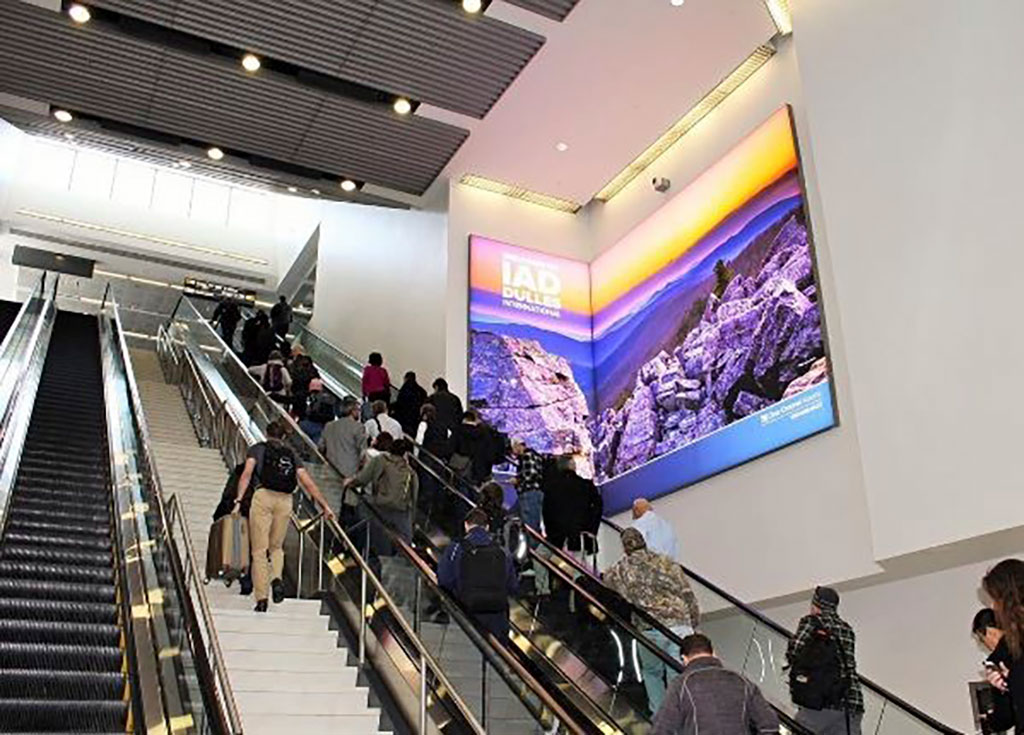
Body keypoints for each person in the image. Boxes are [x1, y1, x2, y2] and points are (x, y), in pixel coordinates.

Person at [235, 421, 334, 612]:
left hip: (263, 497)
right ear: (284, 436)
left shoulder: (257, 449)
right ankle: (277, 579)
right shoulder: (291, 454)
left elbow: (247, 474)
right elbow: (308, 483)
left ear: (267, 433)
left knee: (259, 551)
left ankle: (262, 599)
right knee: (276, 548)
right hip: (285, 501)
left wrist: (239, 499)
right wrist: (325, 505)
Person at [604, 528, 701, 714]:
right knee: (678, 674)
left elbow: (607, 582)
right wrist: (693, 623)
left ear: (625, 548)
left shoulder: (622, 569)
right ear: (644, 542)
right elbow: (688, 594)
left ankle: (659, 717)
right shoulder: (665, 562)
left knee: (651, 672)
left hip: (648, 629)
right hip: (679, 625)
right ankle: (683, 718)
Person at [651, 633, 779, 735]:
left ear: (684, 659)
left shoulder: (680, 685)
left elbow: (662, 728)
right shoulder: (742, 681)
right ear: (713, 653)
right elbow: (769, 724)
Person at [786, 586, 864, 735]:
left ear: (816, 604)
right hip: (852, 702)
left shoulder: (811, 622)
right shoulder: (847, 629)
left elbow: (795, 650)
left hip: (822, 700)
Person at [437, 507, 518, 640]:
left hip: (466, 611)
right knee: (497, 653)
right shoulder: (502, 550)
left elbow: (444, 580)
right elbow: (512, 586)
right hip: (497, 615)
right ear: (487, 527)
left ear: (466, 525)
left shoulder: (456, 548)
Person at [344, 438, 418, 554]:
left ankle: (353, 549)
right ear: (406, 454)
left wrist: (350, 482)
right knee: (404, 545)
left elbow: (363, 479)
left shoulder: (380, 460)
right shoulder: (411, 472)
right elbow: (413, 499)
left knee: (363, 513)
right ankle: (403, 558)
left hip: (379, 506)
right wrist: (412, 523)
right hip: (400, 513)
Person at [983, 560, 1024, 733]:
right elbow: (1005, 719)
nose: (994, 607)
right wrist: (1002, 688)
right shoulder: (1009, 646)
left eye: (996, 598)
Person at [542, 455, 603, 556]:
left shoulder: (551, 488)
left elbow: (546, 512)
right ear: (573, 466)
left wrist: (552, 533)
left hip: (557, 540)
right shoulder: (586, 485)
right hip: (580, 538)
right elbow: (598, 506)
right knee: (579, 568)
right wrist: (592, 530)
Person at [319, 396, 367, 520]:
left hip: (329, 471)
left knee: (330, 507)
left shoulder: (329, 426)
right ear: (353, 411)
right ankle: (342, 536)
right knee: (348, 509)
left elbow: (320, 447)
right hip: (349, 476)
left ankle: (327, 532)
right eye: (358, 410)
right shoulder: (358, 427)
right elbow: (363, 453)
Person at [973, 607, 1015, 733]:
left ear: (987, 632)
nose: (984, 644)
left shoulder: (997, 661)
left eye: (981, 639)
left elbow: (1005, 717)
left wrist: (991, 721)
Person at [450, 410, 503, 487]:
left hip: (463, 470)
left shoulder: (459, 431)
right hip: (482, 471)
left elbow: (450, 448)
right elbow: (491, 453)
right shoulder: (487, 433)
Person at [510, 439, 545, 534]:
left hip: (529, 492)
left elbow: (531, 473)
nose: (513, 451)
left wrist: (518, 479)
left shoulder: (527, 456)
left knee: (530, 524)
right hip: (534, 492)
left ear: (518, 445)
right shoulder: (535, 455)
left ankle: (531, 545)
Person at [631, 498, 680, 562]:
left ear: (636, 511)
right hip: (670, 564)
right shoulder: (665, 523)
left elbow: (636, 548)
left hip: (652, 564)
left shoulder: (638, 525)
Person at [298, 378, 334, 445]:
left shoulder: (318, 400)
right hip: (321, 427)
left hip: (317, 426)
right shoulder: (326, 399)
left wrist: (312, 415)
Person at [288, 347, 319, 420]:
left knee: (295, 406)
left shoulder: (295, 364)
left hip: (297, 391)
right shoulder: (311, 366)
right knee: (302, 410)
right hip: (306, 392)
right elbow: (316, 377)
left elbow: (292, 376)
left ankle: (291, 421)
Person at [393, 371, 427, 437]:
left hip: (405, 419)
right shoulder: (421, 391)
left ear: (406, 379)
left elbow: (399, 404)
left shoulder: (404, 390)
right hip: (417, 418)